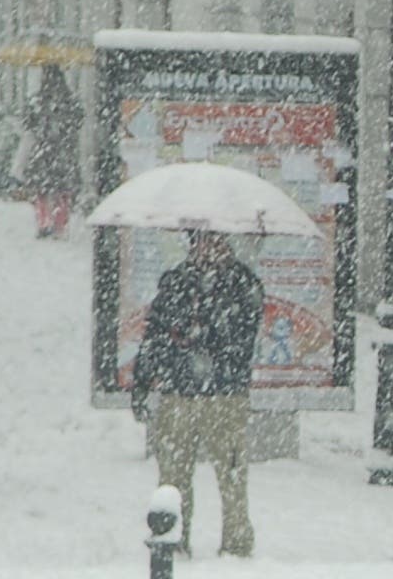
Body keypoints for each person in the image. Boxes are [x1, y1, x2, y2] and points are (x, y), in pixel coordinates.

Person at [131, 230, 265, 558]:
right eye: (202, 241)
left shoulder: (243, 283)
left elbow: (246, 336)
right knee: (173, 474)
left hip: (225, 394)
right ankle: (172, 536)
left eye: (216, 240)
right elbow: (155, 335)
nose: (208, 249)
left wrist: (209, 337)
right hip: (180, 393)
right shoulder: (175, 282)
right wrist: (143, 380)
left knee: (231, 473)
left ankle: (236, 543)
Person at [22, 65, 82, 238]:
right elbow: (78, 120)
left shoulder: (38, 101)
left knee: (42, 191)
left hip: (43, 152)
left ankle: (43, 223)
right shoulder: (69, 100)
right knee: (62, 192)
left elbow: (28, 123)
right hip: (63, 152)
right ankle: (60, 225)